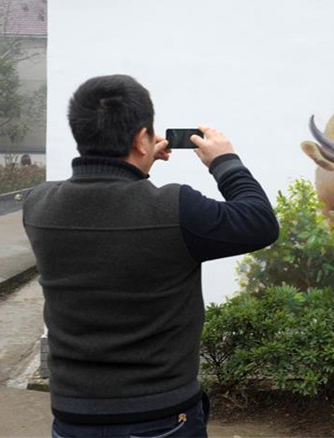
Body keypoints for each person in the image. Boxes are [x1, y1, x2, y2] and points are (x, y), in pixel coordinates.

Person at [23, 75, 279, 438]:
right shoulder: (175, 210)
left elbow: (106, 211)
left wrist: (136, 166)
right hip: (160, 416)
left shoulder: (38, 207)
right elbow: (260, 223)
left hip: (73, 416)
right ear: (141, 138)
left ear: (80, 134)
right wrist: (225, 162)